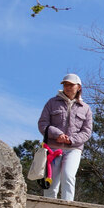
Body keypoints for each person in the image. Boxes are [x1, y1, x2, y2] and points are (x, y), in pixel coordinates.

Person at [37, 73, 93, 201]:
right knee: (52, 180)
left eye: (71, 85)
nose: (67, 87)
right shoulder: (52, 103)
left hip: (74, 149)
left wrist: (71, 140)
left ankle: (68, 207)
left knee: (68, 176)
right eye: (65, 85)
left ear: (78, 87)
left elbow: (87, 131)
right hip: (53, 148)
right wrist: (57, 134)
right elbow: (43, 124)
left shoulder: (86, 108)